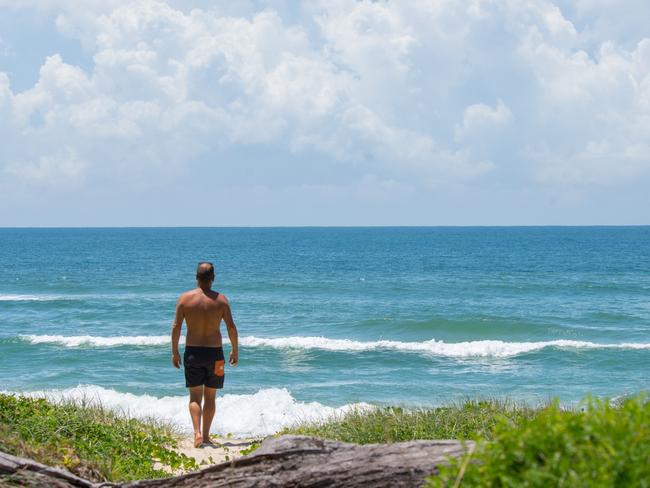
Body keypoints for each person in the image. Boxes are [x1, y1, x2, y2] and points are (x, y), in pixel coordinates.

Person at [171, 262, 239, 447]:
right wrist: (235, 350)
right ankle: (207, 436)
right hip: (215, 354)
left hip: (193, 353)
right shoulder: (221, 300)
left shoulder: (185, 299)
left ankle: (197, 433)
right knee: (210, 397)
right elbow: (231, 327)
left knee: (194, 397)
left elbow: (176, 327)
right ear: (213, 278)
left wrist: (175, 352)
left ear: (196, 278)